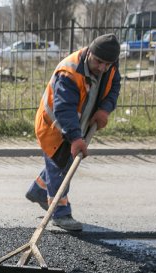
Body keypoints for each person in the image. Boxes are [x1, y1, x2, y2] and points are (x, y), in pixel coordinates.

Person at [25, 34, 121, 231]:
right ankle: (60, 214)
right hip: (55, 127)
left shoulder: (111, 66)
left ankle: (39, 191)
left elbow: (114, 89)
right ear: (89, 53)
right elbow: (64, 110)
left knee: (61, 164)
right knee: (61, 169)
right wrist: (76, 139)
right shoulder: (68, 73)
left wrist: (105, 109)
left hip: (78, 125)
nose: (102, 68)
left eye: (107, 64)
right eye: (99, 62)